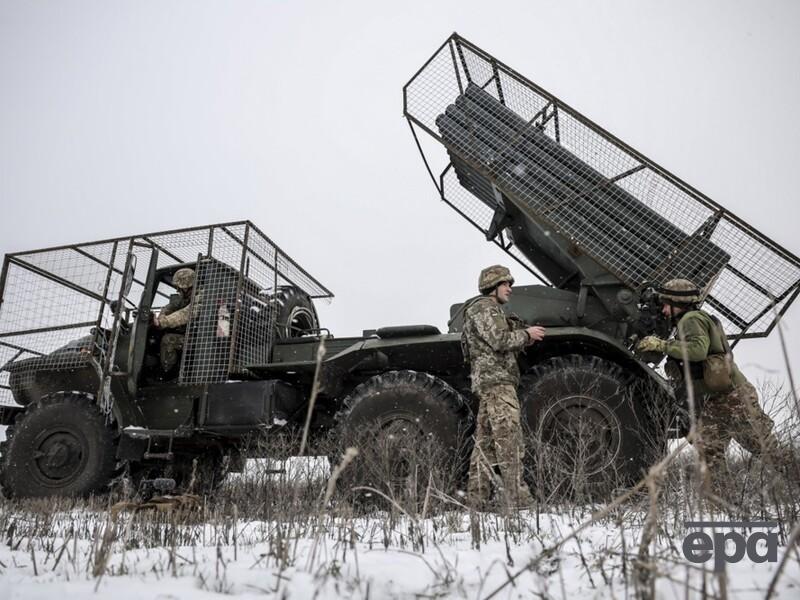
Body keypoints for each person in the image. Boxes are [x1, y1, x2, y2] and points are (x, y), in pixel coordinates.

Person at [636, 278, 791, 486]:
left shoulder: (691, 319)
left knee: (769, 452)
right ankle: (723, 507)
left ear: (677, 304)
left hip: (732, 400)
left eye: (666, 305)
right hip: (714, 403)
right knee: (710, 457)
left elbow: (697, 350)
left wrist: (662, 345)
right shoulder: (692, 320)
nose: (663, 310)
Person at [462, 265, 546, 510]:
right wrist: (526, 334)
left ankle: (476, 501)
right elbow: (499, 340)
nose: (510, 289)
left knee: (485, 447)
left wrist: (523, 336)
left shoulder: (486, 309)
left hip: (492, 383)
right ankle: (518, 499)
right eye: (505, 284)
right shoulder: (484, 307)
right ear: (493, 286)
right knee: (509, 439)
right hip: (497, 383)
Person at [152, 267, 196, 374]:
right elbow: (169, 307)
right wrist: (160, 317)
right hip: (188, 335)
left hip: (199, 340)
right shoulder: (184, 298)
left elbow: (185, 314)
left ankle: (168, 373)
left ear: (187, 287)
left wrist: (163, 322)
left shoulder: (201, 296)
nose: (178, 290)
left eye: (180, 288)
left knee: (168, 340)